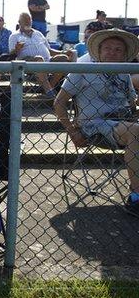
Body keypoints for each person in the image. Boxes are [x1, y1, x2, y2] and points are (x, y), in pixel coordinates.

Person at [53, 28, 139, 215]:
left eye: (118, 50)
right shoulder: (83, 69)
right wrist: (72, 131)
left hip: (125, 122)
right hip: (93, 126)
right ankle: (136, 197)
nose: (112, 53)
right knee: (135, 131)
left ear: (124, 55)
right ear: (98, 52)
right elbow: (59, 103)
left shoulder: (124, 72)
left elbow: (132, 105)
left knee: (134, 129)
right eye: (108, 48)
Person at [8, 12, 74, 98]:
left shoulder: (38, 33)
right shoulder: (14, 36)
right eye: (25, 20)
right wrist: (17, 49)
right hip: (27, 63)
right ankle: (49, 91)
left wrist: (63, 52)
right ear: (19, 22)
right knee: (39, 59)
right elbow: (11, 54)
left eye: (29, 19)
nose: (28, 22)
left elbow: (49, 50)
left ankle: (49, 87)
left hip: (47, 61)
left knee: (64, 58)